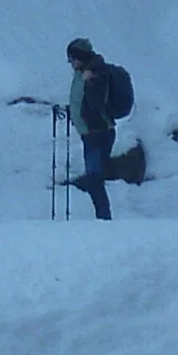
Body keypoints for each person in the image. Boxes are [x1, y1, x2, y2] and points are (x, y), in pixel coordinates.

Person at [66, 37, 115, 220]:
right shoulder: (82, 72)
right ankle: (103, 218)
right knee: (94, 177)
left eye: (72, 58)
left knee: (94, 178)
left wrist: (91, 82)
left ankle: (104, 219)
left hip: (99, 132)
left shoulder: (97, 72)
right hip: (90, 133)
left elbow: (95, 103)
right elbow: (80, 100)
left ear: (80, 56)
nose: (70, 62)